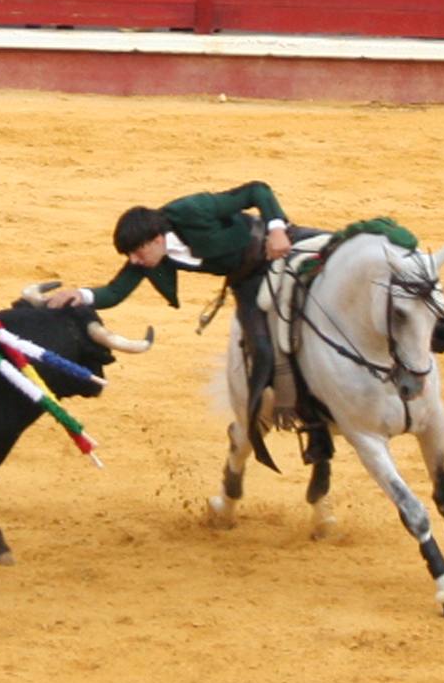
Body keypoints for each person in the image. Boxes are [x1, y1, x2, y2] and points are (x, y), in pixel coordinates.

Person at [45, 180, 301, 471]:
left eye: (137, 253)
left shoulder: (192, 210)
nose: (134, 260)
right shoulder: (149, 257)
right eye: (130, 255)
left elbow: (257, 191)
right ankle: (277, 416)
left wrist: (276, 228)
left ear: (156, 239)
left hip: (276, 247)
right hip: (248, 281)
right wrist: (81, 294)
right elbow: (115, 291)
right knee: (263, 351)